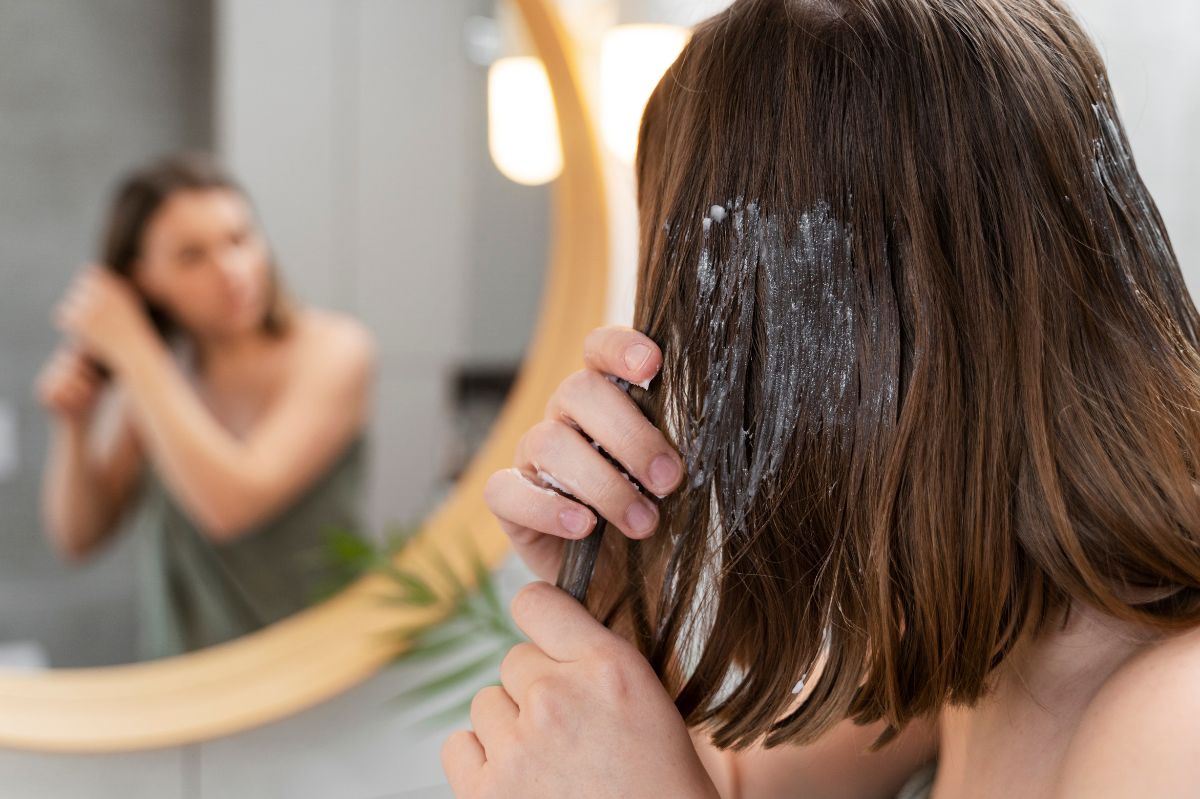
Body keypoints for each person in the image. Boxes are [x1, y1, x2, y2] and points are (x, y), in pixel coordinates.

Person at [444, 0, 1200, 796]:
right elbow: (722, 784)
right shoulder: (988, 647)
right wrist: (622, 607)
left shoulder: (1173, 724)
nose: (695, 387)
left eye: (718, 329)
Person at [35, 152, 376, 660]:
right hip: (195, 680)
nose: (233, 271)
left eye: (239, 240)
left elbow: (231, 506)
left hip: (322, 667)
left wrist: (131, 346)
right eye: (192, 256)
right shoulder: (154, 379)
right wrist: (75, 425)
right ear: (145, 278)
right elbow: (78, 537)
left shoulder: (335, 349)